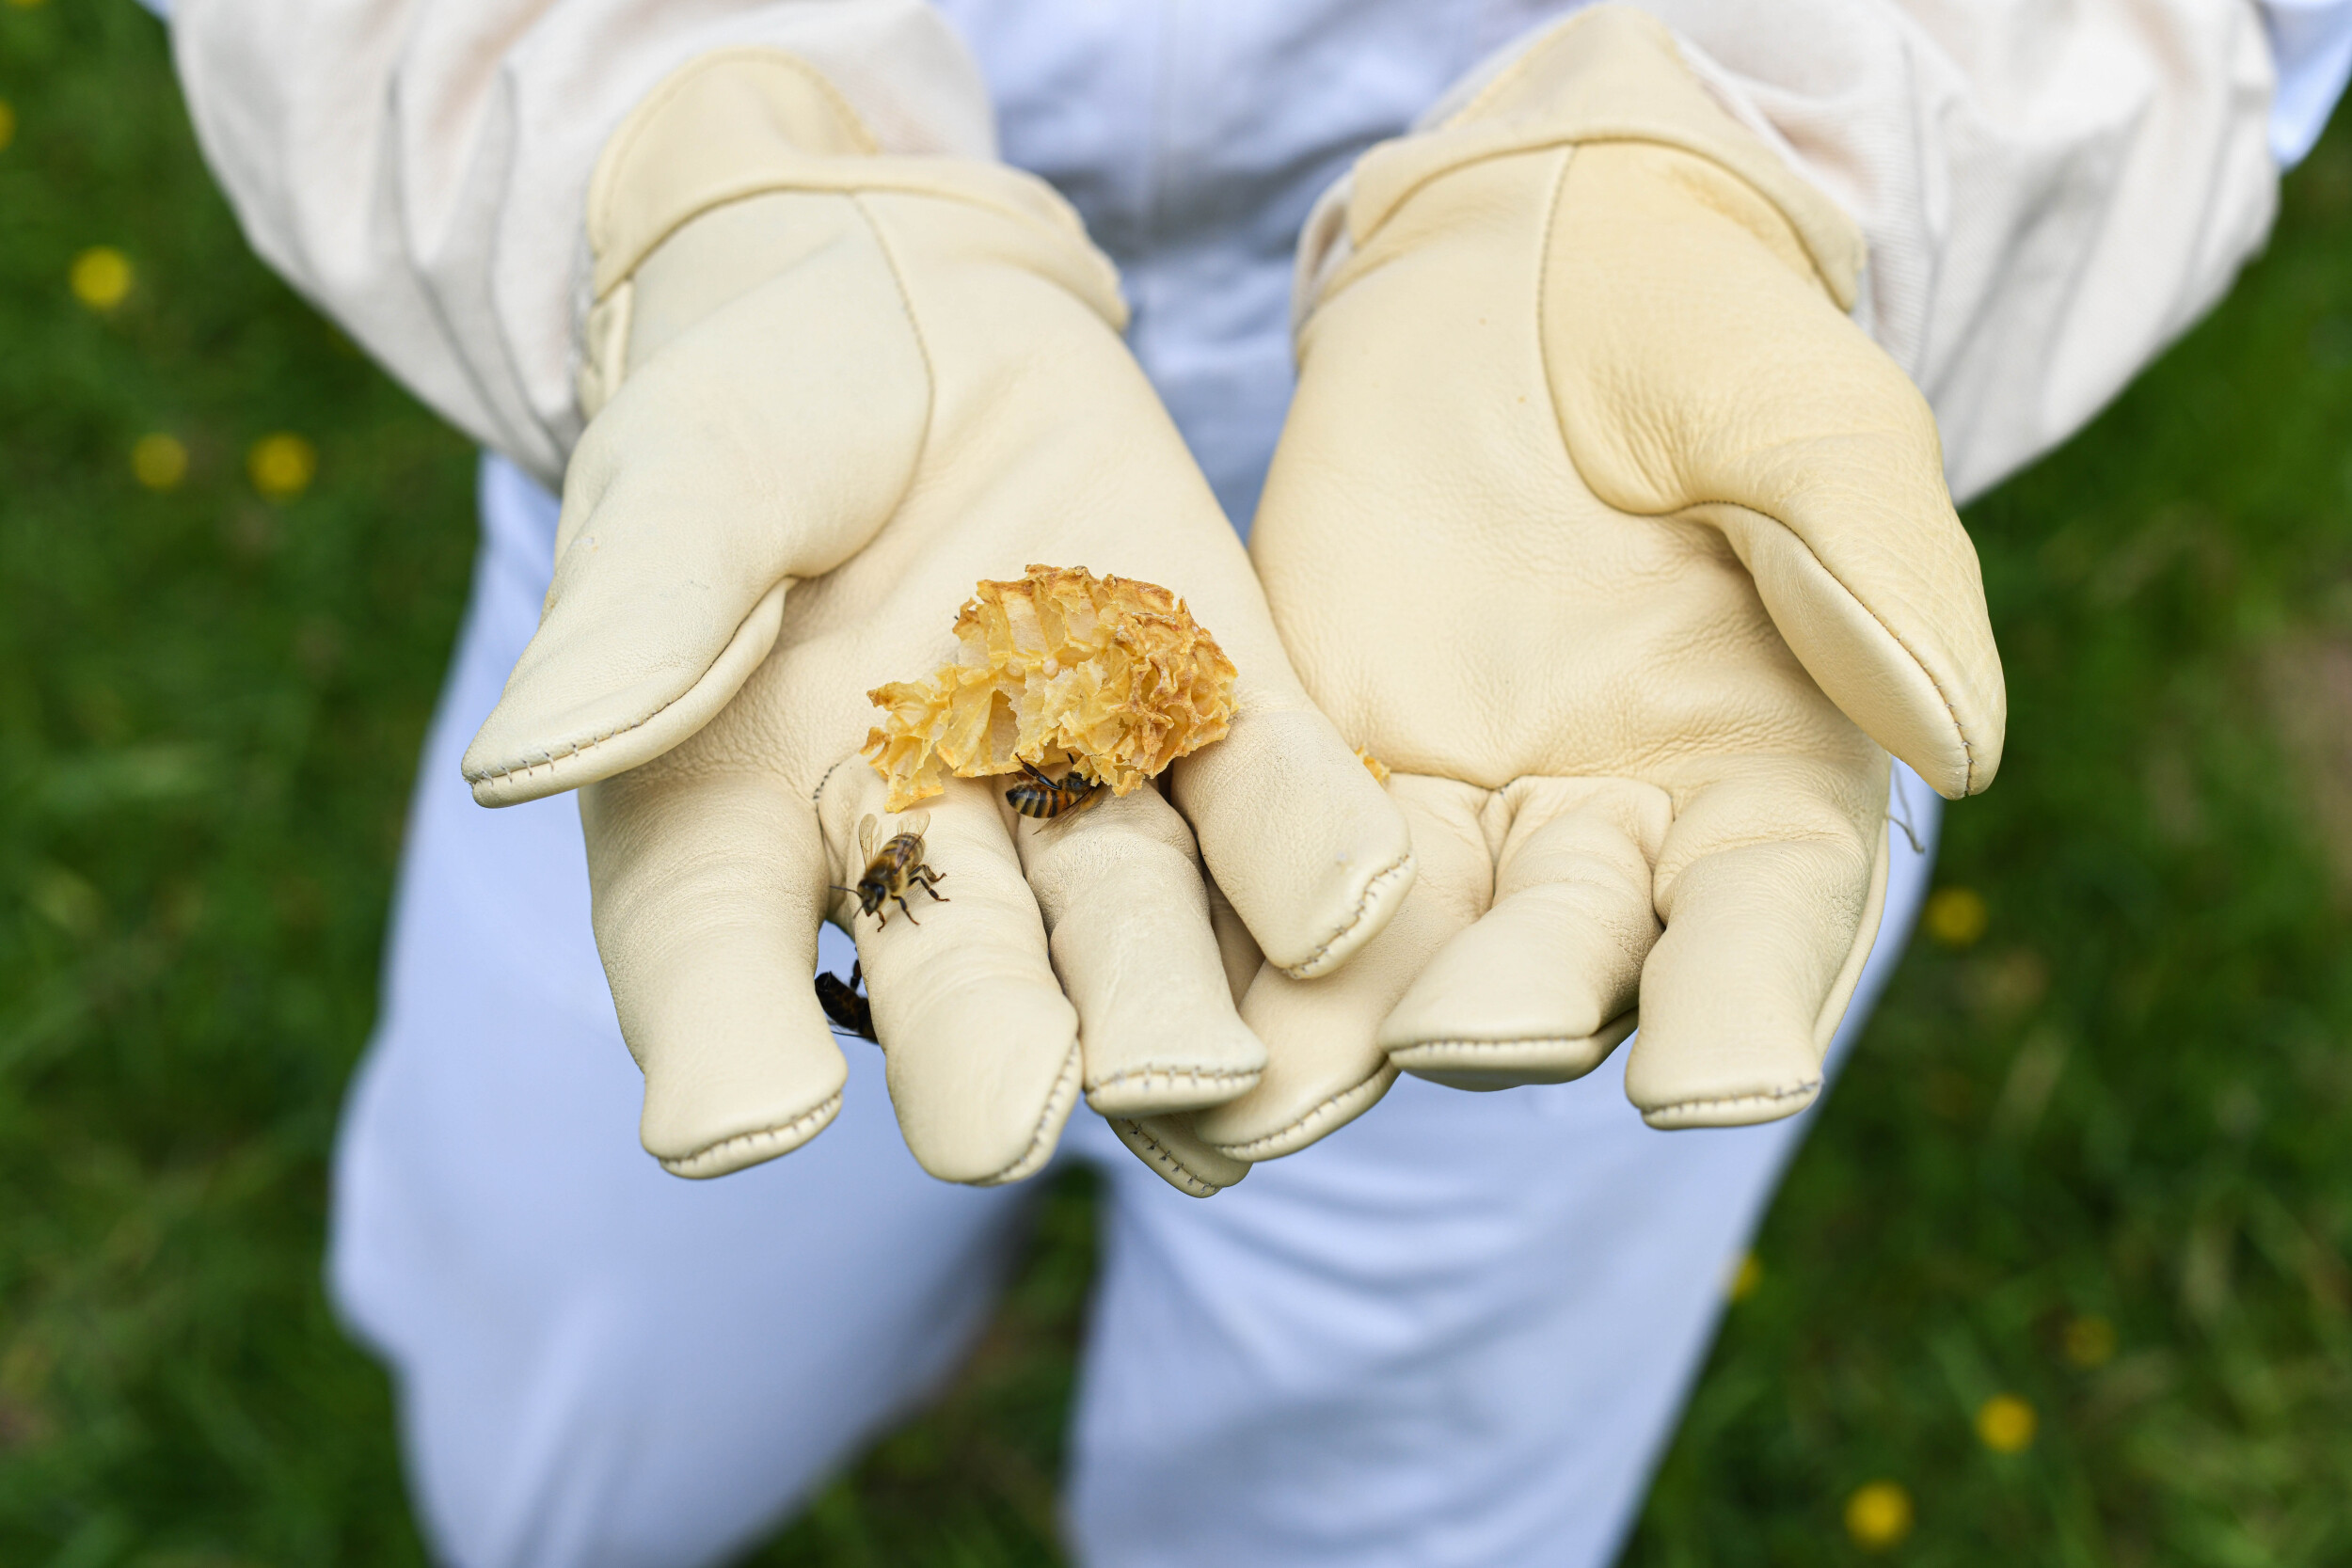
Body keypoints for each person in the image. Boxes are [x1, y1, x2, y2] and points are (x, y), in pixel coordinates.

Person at [163, 1, 2352, 1563]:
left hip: (1585, 567)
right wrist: (689, 160)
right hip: (767, 486)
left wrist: (1748, 161)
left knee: (1382, 1457)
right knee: (581, 1439)